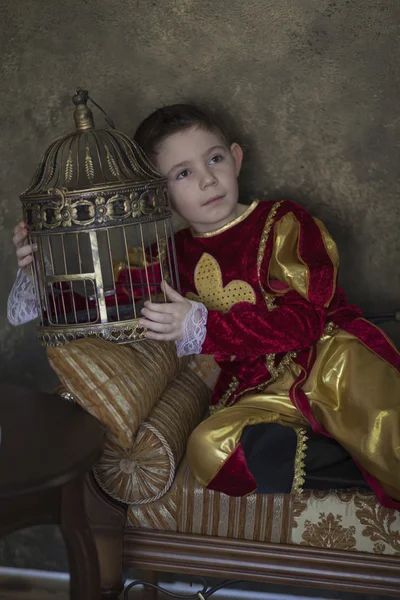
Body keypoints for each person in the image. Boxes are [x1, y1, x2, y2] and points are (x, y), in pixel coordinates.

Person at [8, 104, 400, 508]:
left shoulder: (282, 222)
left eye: (214, 159)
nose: (207, 179)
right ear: (160, 195)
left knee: (382, 418)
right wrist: (41, 273)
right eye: (183, 173)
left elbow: (307, 322)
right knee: (209, 450)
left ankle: (365, 445)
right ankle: (353, 460)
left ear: (236, 158)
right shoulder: (167, 258)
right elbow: (103, 311)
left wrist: (205, 326)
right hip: (258, 392)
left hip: (330, 362)